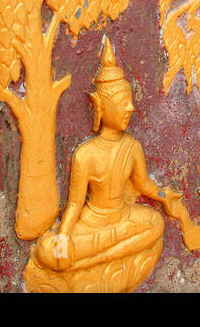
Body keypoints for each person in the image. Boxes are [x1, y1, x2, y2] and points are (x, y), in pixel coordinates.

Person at [25, 38, 184, 293]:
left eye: (130, 101)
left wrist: (164, 196)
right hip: (92, 226)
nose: (130, 108)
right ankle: (96, 259)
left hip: (122, 219)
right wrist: (65, 234)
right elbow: (76, 203)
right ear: (100, 106)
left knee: (155, 222)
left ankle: (92, 263)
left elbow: (142, 184)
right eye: (122, 103)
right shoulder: (86, 154)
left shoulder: (131, 147)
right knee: (47, 251)